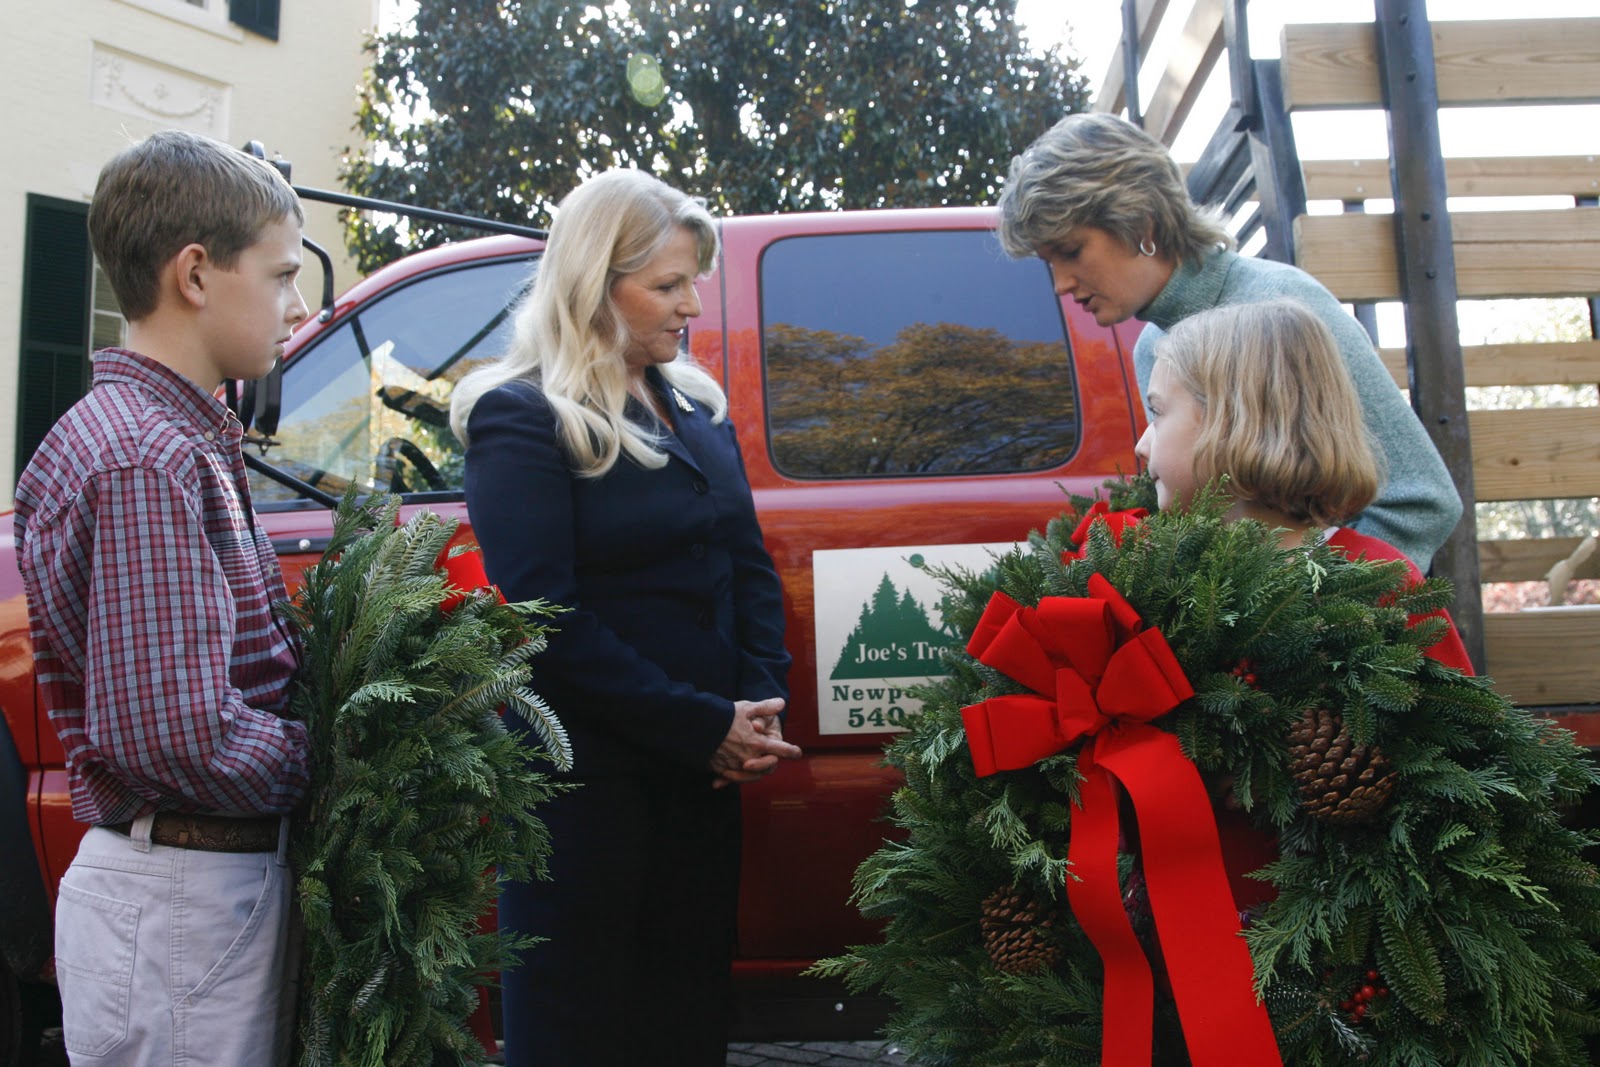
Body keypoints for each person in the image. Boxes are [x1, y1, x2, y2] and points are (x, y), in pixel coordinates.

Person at [450, 169, 800, 1066]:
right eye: (668, 284)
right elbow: (544, 619)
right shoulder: (518, 416)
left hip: (703, 783)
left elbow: (748, 569)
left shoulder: (696, 408)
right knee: (582, 1032)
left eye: (694, 280)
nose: (693, 304)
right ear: (594, 284)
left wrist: (757, 707)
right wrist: (701, 727)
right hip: (589, 797)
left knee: (685, 1028)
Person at [12, 130, 311, 1065]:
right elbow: (173, 730)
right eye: (281, 273)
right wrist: (338, 750)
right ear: (195, 273)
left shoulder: (155, 434)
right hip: (184, 894)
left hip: (184, 892)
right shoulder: (150, 454)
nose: (298, 305)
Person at [998, 111, 1463, 572]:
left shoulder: (1284, 305)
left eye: (1071, 251)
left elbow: (1420, 503)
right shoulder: (1150, 349)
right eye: (1048, 262)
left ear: (1141, 223)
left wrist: (1299, 617)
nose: (1060, 284)